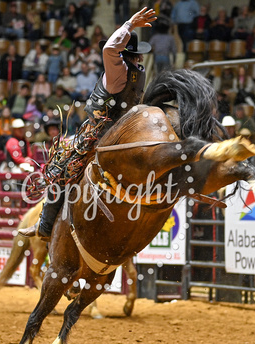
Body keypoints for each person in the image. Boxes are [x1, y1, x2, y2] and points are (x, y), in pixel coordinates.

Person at [19, 7, 155, 239]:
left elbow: (109, 48)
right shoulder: (138, 74)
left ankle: (44, 225)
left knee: (59, 167)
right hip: (129, 130)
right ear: (138, 56)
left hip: (101, 132)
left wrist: (129, 24)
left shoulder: (118, 69)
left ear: (124, 53)